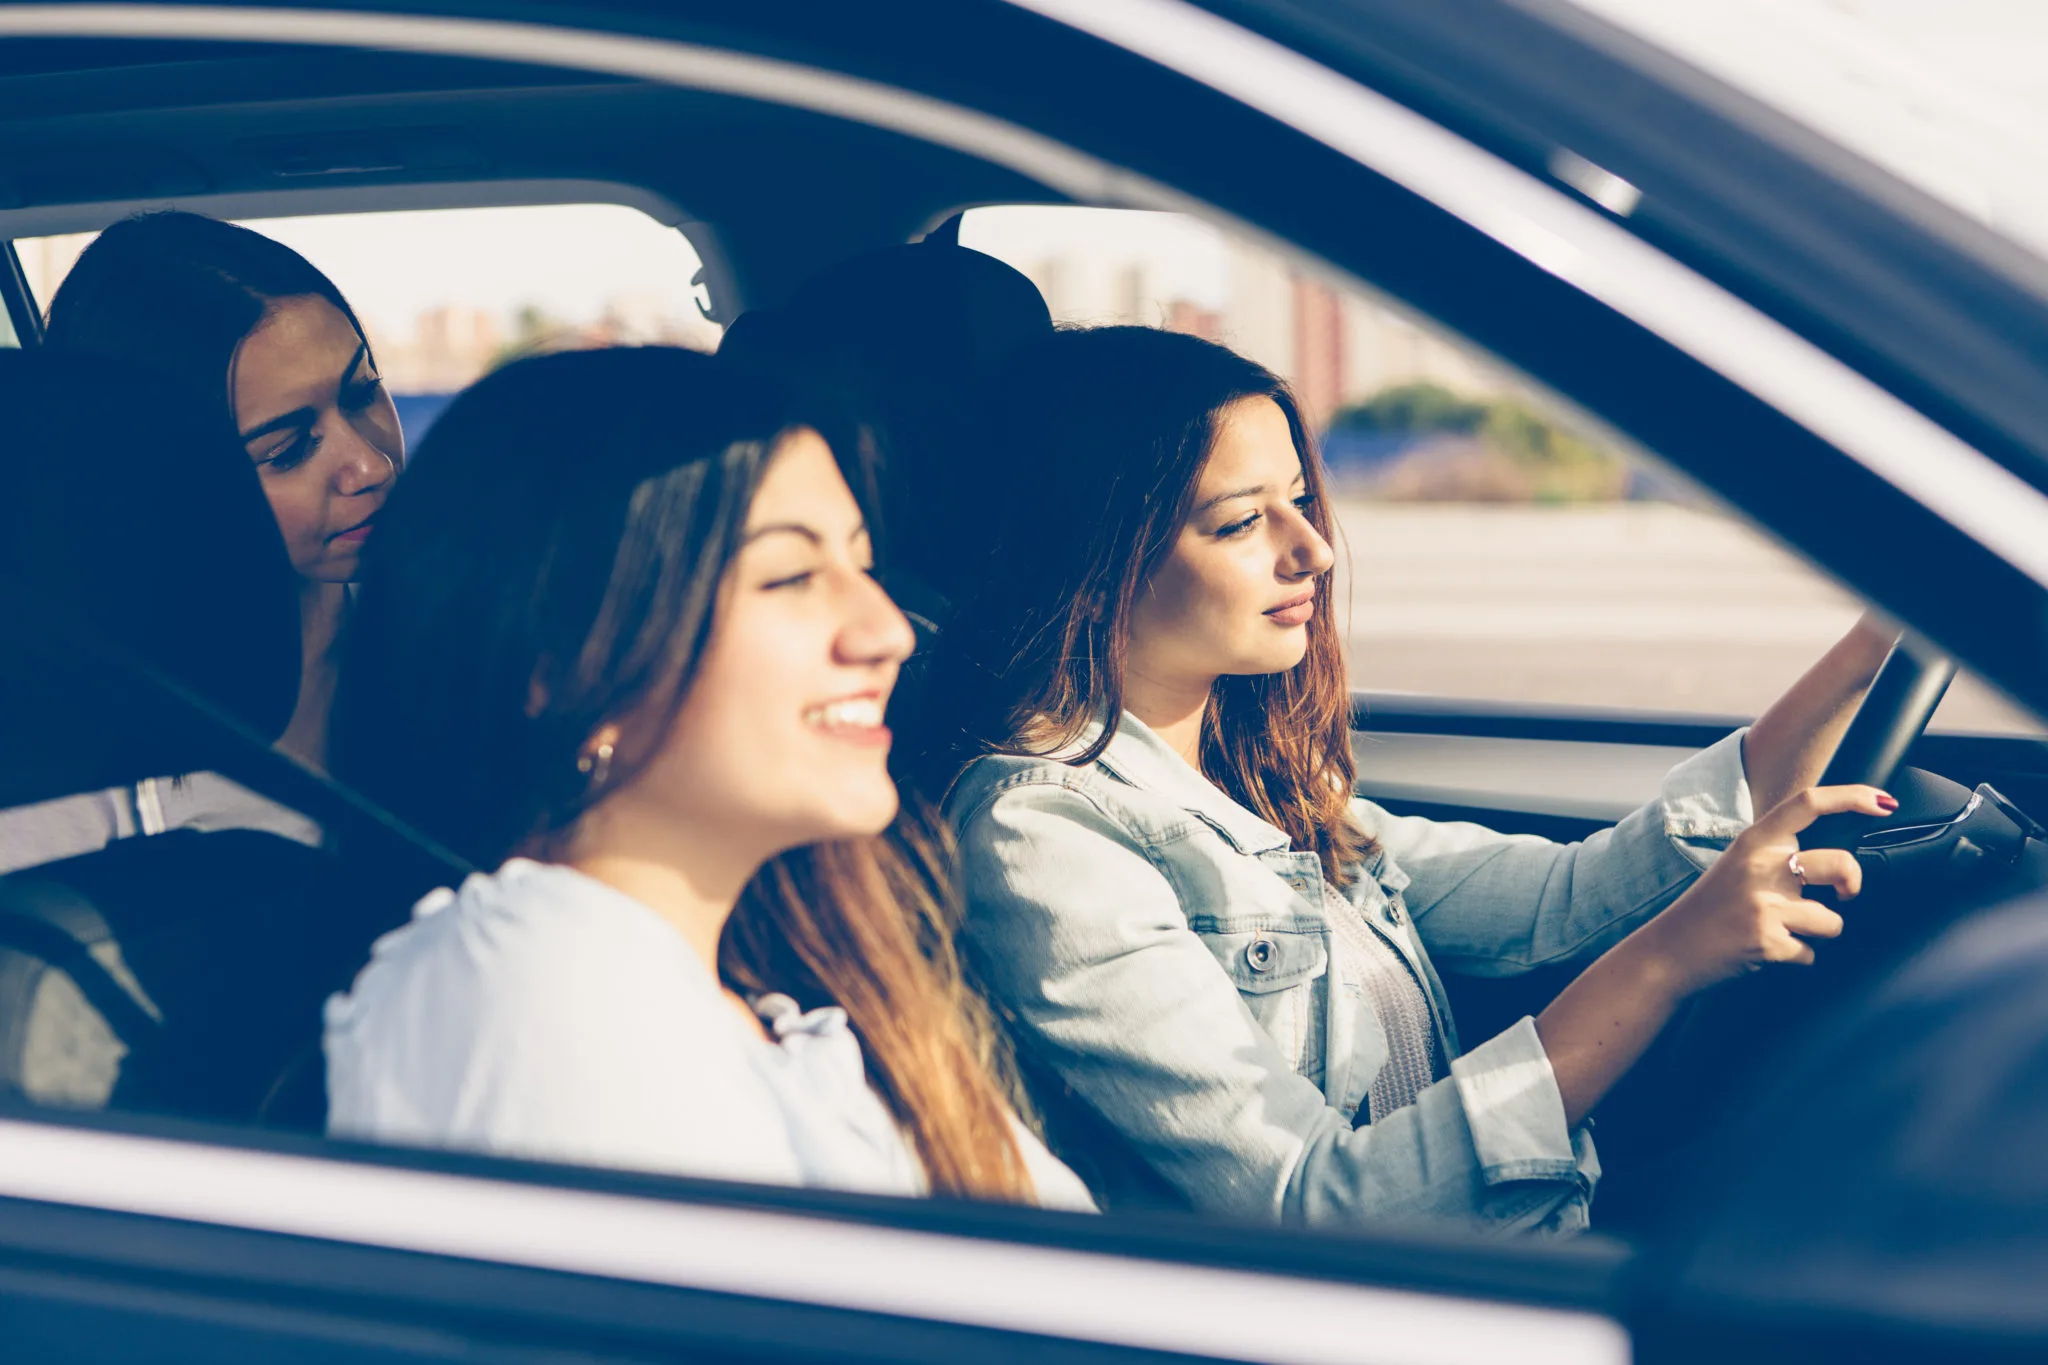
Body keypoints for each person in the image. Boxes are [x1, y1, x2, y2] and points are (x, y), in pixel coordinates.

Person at [910, 325, 1896, 1233]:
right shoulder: (1041, 840)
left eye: (1298, 500)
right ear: (1095, 559)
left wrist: (1872, 646)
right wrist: (1666, 960)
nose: (1313, 549)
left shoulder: (1249, 788)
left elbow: (1565, 898)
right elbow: (1316, 1206)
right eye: (1238, 523)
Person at [322, 346, 1089, 1207]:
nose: (887, 631)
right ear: (562, 661)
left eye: (862, 566)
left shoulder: (792, 992)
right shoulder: (538, 983)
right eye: (792, 576)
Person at [44, 210, 402, 768]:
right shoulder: (68, 742)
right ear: (158, 479)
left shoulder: (466, 632)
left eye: (361, 394)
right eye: (287, 449)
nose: (371, 464)